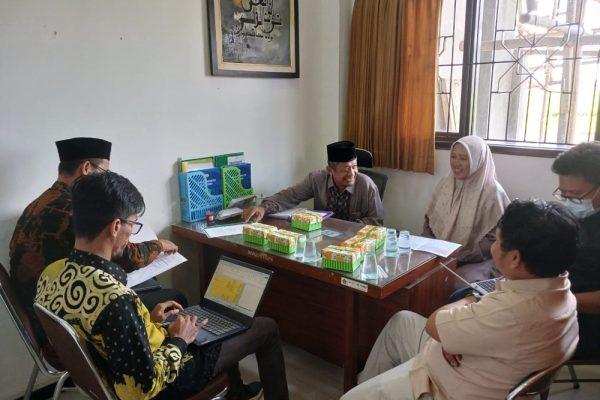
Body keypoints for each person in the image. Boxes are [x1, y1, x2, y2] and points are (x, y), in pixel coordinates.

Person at [36, 172, 289, 400]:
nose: (131, 235)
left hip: (112, 373)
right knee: (265, 327)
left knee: (205, 323)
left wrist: (147, 322)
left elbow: (102, 332)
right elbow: (142, 389)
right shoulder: (115, 300)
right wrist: (179, 340)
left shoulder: (51, 273)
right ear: (116, 227)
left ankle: (235, 391)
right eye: (132, 224)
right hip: (167, 381)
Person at [342, 200, 579, 400]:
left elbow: (434, 324)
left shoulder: (511, 312)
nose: (494, 246)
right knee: (402, 321)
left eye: (497, 241)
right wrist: (453, 334)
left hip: (443, 385)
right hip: (480, 362)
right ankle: (370, 385)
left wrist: (467, 303)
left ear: (515, 258)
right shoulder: (560, 290)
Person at [9, 137, 186, 346]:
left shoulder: (38, 203)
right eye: (104, 172)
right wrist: (160, 245)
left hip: (43, 312)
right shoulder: (77, 209)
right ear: (86, 168)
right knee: (174, 298)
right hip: (65, 322)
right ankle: (172, 347)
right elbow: (126, 257)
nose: (106, 180)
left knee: (149, 288)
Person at [423, 136, 509, 282]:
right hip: (440, 253)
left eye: (463, 158)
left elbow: (494, 239)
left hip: (478, 260)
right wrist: (430, 246)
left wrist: (460, 256)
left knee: (452, 282)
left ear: (477, 160)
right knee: (416, 275)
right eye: (453, 156)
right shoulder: (445, 183)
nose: (456, 163)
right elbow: (430, 219)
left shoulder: (493, 192)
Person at [242, 140, 384, 225]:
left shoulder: (367, 185)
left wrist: (345, 227)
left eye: (354, 167)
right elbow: (290, 196)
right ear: (330, 170)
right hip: (322, 239)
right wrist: (263, 208)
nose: (352, 174)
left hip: (354, 244)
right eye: (346, 169)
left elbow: (377, 221)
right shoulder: (317, 179)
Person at [551, 141, 600, 359]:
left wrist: (558, 300)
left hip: (588, 324)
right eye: (563, 193)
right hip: (556, 302)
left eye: (576, 195)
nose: (569, 201)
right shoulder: (571, 216)